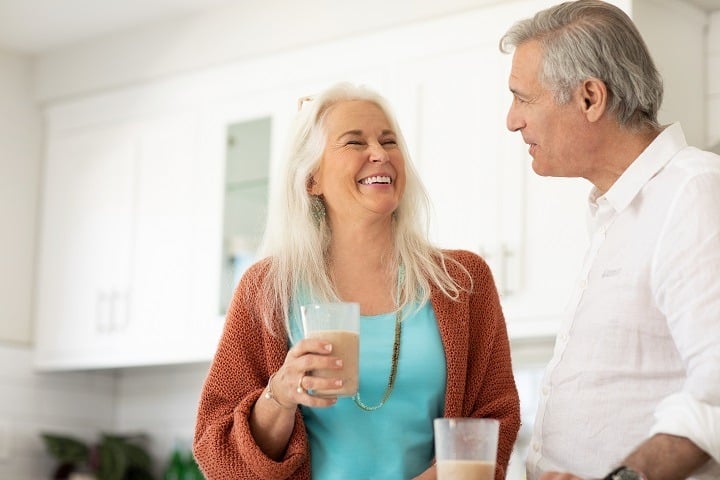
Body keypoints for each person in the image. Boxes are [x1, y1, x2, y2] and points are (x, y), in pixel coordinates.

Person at [192, 82, 521, 480]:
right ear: (312, 178)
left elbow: (494, 418)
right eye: (354, 142)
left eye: (389, 141)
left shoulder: (462, 282)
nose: (379, 154)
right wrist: (280, 395)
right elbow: (218, 451)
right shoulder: (267, 288)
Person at [499, 1, 720, 479]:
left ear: (590, 98)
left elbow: (717, 389)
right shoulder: (615, 211)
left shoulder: (693, 192)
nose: (512, 120)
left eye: (523, 97)